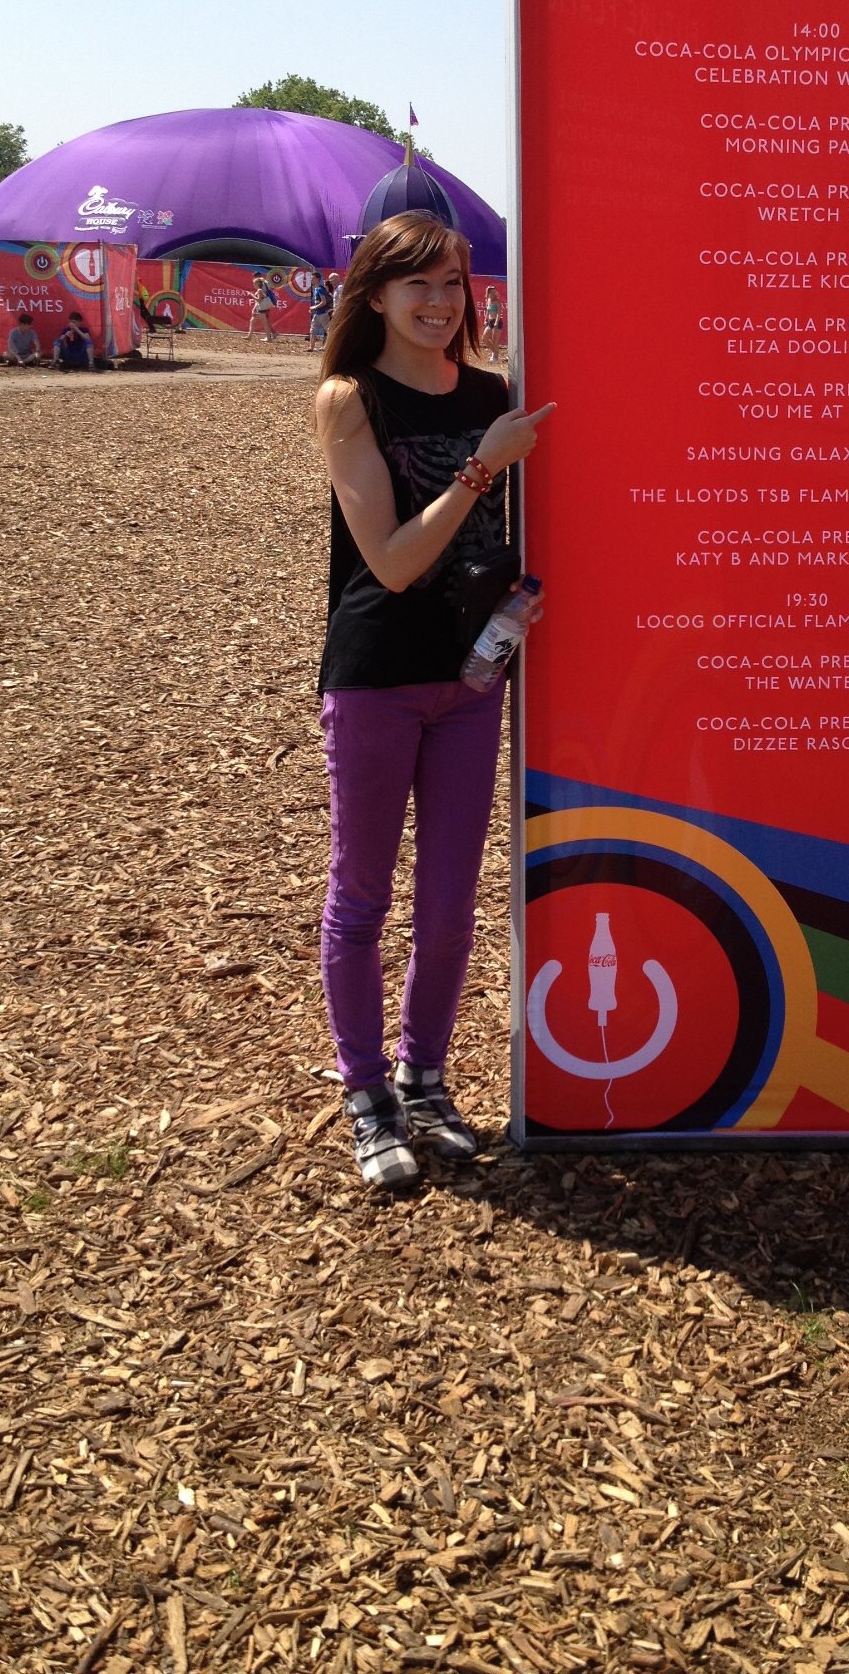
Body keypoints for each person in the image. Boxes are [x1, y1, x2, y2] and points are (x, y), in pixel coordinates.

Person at [312, 211, 553, 1192]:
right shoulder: (350, 398)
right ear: (374, 294)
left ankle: (425, 1076)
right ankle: (367, 1091)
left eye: (453, 281)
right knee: (363, 897)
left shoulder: (495, 395)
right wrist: (482, 465)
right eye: (417, 282)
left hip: (469, 680)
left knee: (451, 905)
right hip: (375, 676)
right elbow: (394, 561)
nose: (440, 301)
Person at [307, 273, 333, 353]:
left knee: (328, 331)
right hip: (317, 313)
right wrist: (314, 309)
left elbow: (323, 302)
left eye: (313, 278)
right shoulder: (316, 289)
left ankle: (329, 347)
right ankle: (311, 347)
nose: (311, 280)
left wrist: (314, 307)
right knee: (313, 329)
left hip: (323, 313)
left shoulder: (320, 289)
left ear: (318, 279)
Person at [249, 273, 278, 344]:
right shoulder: (266, 282)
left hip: (264, 304)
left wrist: (252, 296)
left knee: (263, 321)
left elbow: (260, 299)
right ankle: (272, 333)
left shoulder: (260, 287)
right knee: (265, 320)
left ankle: (269, 337)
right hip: (268, 302)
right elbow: (270, 290)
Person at [482, 285, 506, 366]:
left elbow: (499, 313)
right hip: (490, 322)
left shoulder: (497, 301)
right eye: (492, 292)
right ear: (488, 293)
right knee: (484, 338)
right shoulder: (488, 300)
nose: (494, 293)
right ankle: (494, 352)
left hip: (497, 322)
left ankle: (495, 357)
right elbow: (488, 311)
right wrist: (485, 319)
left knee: (495, 340)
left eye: (494, 292)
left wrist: (496, 322)